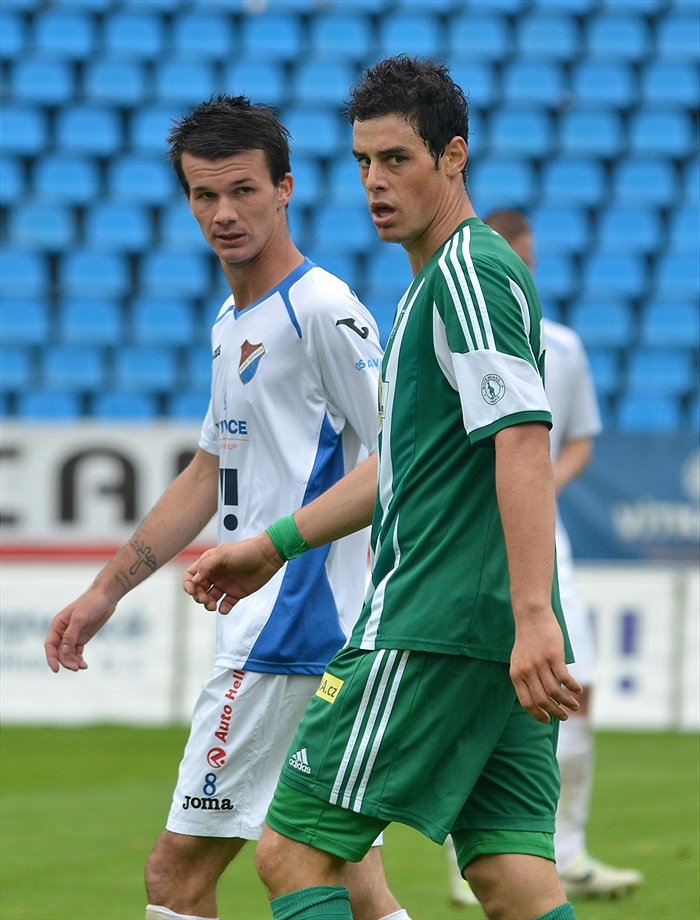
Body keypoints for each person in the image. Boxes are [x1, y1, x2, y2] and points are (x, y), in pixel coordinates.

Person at [184, 57, 583, 920]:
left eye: (397, 159)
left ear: (453, 156)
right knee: (511, 876)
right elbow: (403, 468)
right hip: (481, 631)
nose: (374, 181)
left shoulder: (468, 274)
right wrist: (272, 543)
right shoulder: (430, 284)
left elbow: (520, 437)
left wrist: (533, 615)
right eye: (362, 161)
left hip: (432, 622)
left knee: (294, 855)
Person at [43, 95, 409, 920]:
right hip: (298, 631)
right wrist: (108, 589)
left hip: (291, 631)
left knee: (177, 878)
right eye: (204, 196)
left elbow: (403, 459)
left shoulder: (323, 311)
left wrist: (278, 545)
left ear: (285, 187)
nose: (224, 213)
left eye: (243, 190)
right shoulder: (232, 319)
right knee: (349, 880)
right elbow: (212, 467)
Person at [479, 208, 644, 900]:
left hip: (546, 537)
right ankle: (496, 853)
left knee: (575, 686)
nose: (528, 268)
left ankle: (562, 851)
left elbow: (574, 441)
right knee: (485, 694)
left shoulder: (564, 348)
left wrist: (539, 488)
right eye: (520, 256)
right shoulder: (461, 332)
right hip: (467, 539)